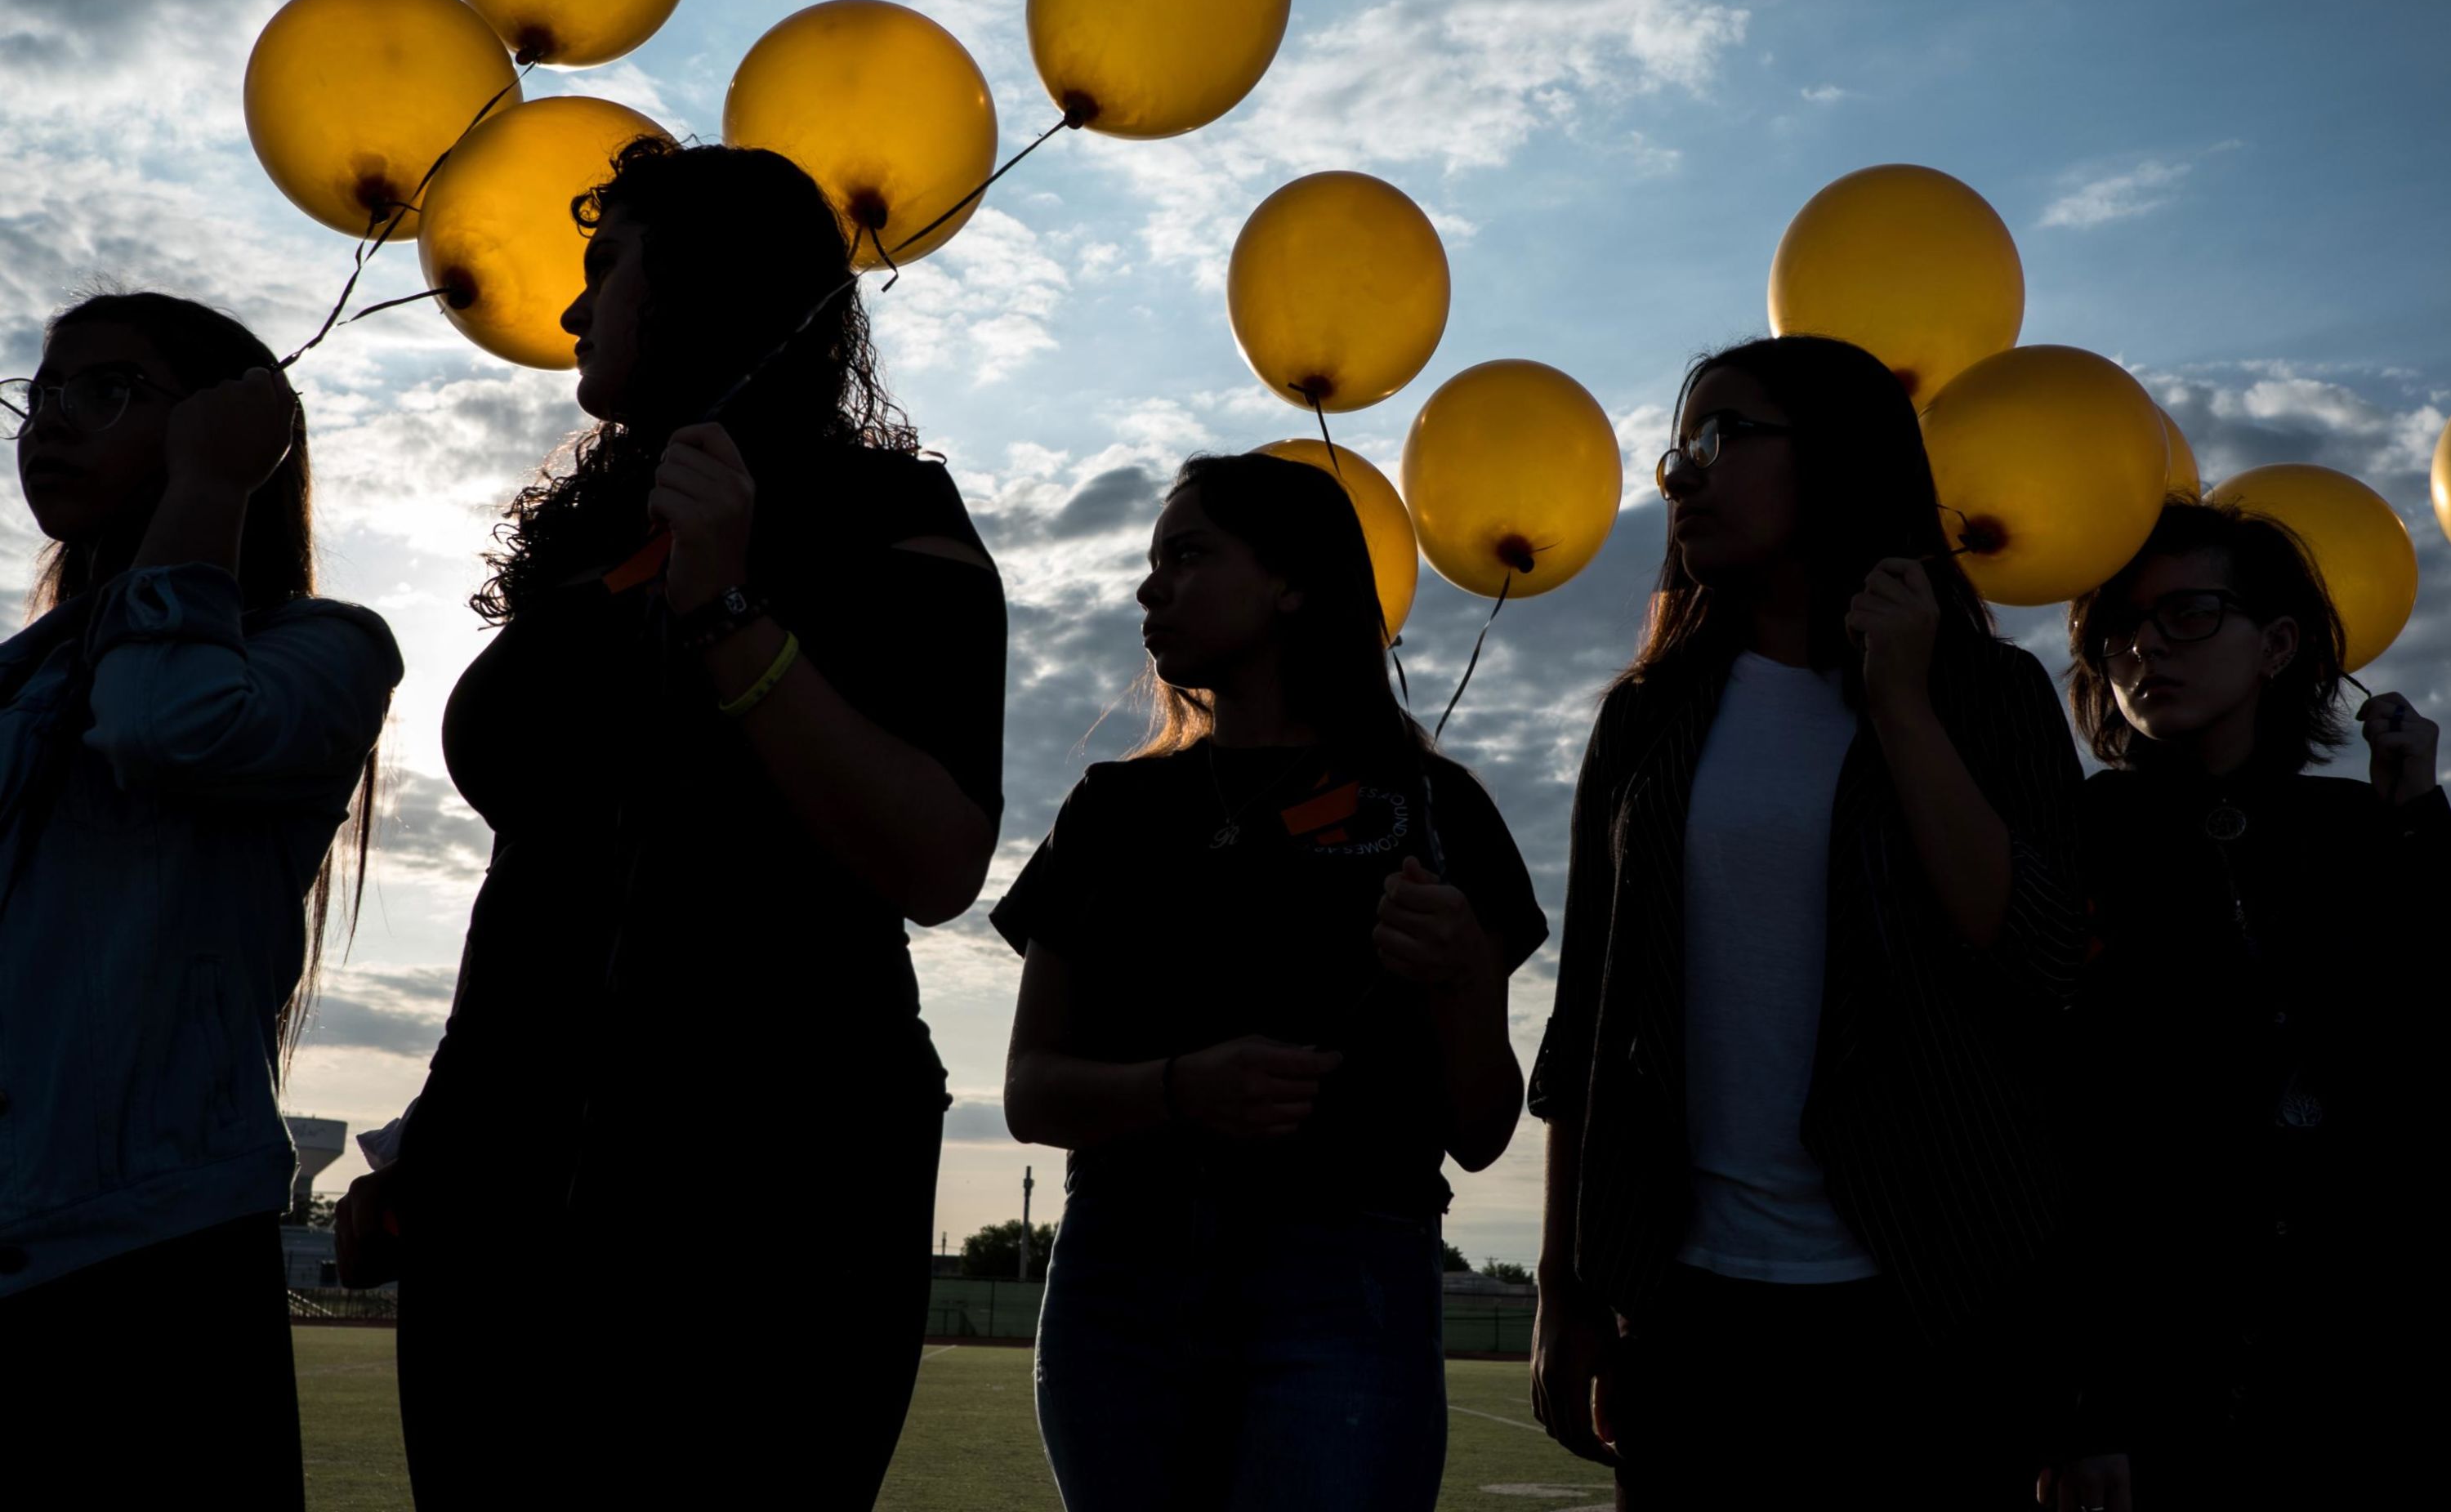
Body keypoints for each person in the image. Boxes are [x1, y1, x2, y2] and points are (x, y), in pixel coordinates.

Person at [333, 139, 1006, 1507]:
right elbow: (546, 878)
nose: (573, 314)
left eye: (605, 269)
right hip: (502, 1178)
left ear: (713, 281)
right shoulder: (590, 534)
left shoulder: (888, 518)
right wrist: (434, 1137)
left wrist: (725, 612)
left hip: (768, 1183)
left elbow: (935, 856)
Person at [1526, 336, 2087, 1510]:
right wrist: (1565, 1291)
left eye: (1723, 438)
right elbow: (1587, 1024)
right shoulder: (1646, 718)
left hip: (1936, 1307)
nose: (1682, 475)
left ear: (1838, 460)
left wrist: (1899, 701)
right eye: (1680, 448)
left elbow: (2039, 958)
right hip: (1691, 1310)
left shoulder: (1989, 694)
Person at [994, 451, 1548, 1512]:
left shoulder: (1435, 811)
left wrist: (1467, 979)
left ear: (1292, 581)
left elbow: (1480, 1130)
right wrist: (1180, 1089)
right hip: (1123, 1281)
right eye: (1151, 562)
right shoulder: (1112, 812)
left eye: (1188, 555)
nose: (1149, 587)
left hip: (1346, 1274)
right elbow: (1031, 1095)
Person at [0, 292, 399, 1506]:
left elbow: (165, 725)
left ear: (232, 429)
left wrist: (211, 493)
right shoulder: (21, 674)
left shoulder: (322, 648)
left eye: (107, 391)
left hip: (146, 1247)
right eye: (42, 392)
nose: (50, 425)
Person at [2042, 496, 2444, 1512]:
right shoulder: (2080, 831)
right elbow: (2058, 1130)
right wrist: (2084, 1407)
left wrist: (2422, 826)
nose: (2144, 649)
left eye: (2187, 614)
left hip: (2358, 1358)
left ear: (2276, 643)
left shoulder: (2361, 826)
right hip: (2158, 1368)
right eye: (2118, 629)